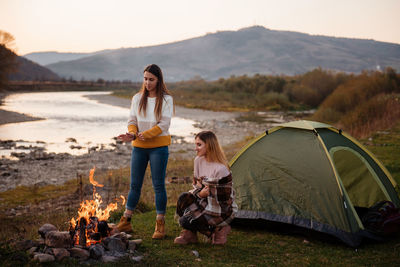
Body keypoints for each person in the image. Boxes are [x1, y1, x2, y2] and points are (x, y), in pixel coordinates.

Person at [117, 64, 173, 239]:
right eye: (145, 79)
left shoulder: (166, 100)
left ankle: (160, 224)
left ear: (158, 80)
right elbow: (132, 120)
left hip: (159, 148)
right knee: (135, 185)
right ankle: (126, 221)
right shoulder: (137, 98)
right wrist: (132, 133)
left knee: (158, 185)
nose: (147, 83)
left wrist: (145, 135)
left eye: (151, 79)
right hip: (139, 148)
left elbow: (164, 124)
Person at [174, 131, 237, 245]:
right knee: (183, 199)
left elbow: (224, 200)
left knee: (187, 220)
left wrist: (204, 195)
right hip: (203, 201)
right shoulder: (198, 160)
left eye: (199, 145)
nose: (195, 149)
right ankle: (191, 235)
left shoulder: (221, 169)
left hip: (220, 210)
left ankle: (220, 229)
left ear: (209, 145)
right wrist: (200, 194)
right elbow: (197, 186)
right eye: (195, 144)